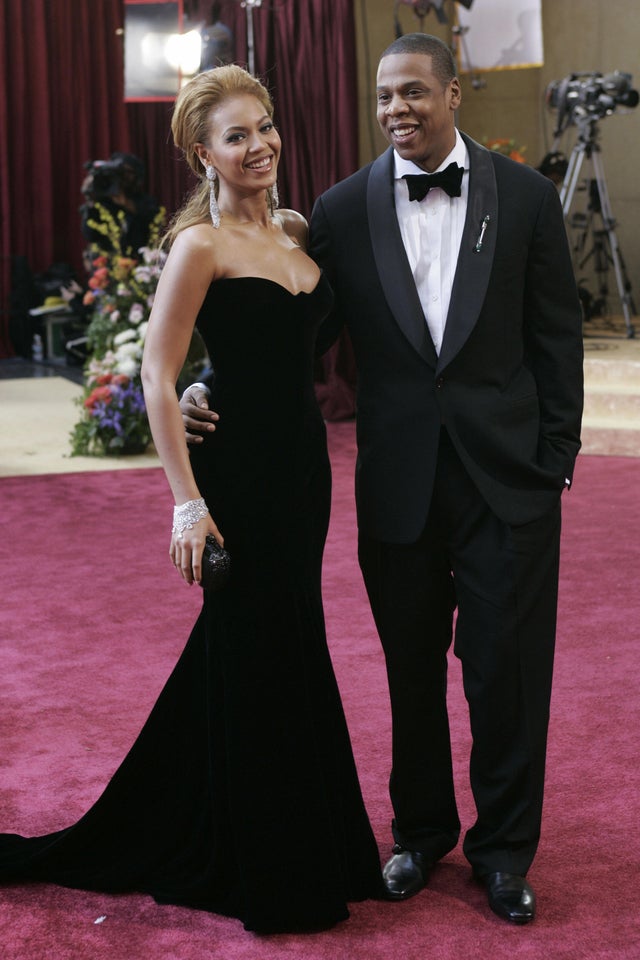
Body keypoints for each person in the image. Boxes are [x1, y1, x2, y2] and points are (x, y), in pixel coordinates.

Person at [180, 35, 584, 925]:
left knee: (505, 672)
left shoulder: (522, 198)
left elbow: (557, 336)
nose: (396, 109)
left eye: (412, 93)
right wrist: (202, 384)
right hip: (396, 482)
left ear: (453, 94)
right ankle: (420, 832)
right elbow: (291, 330)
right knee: (409, 669)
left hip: (507, 482)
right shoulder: (340, 208)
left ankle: (505, 849)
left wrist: (554, 457)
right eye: (382, 97)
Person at [0, 65, 382, 934]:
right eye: (236, 136)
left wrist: (219, 378)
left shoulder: (292, 228)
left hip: (305, 476)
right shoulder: (198, 247)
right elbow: (157, 374)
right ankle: (273, 867)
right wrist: (185, 503)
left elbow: (284, 347)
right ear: (201, 152)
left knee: (285, 645)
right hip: (237, 477)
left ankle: (295, 836)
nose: (259, 146)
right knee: (256, 649)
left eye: (265, 127)